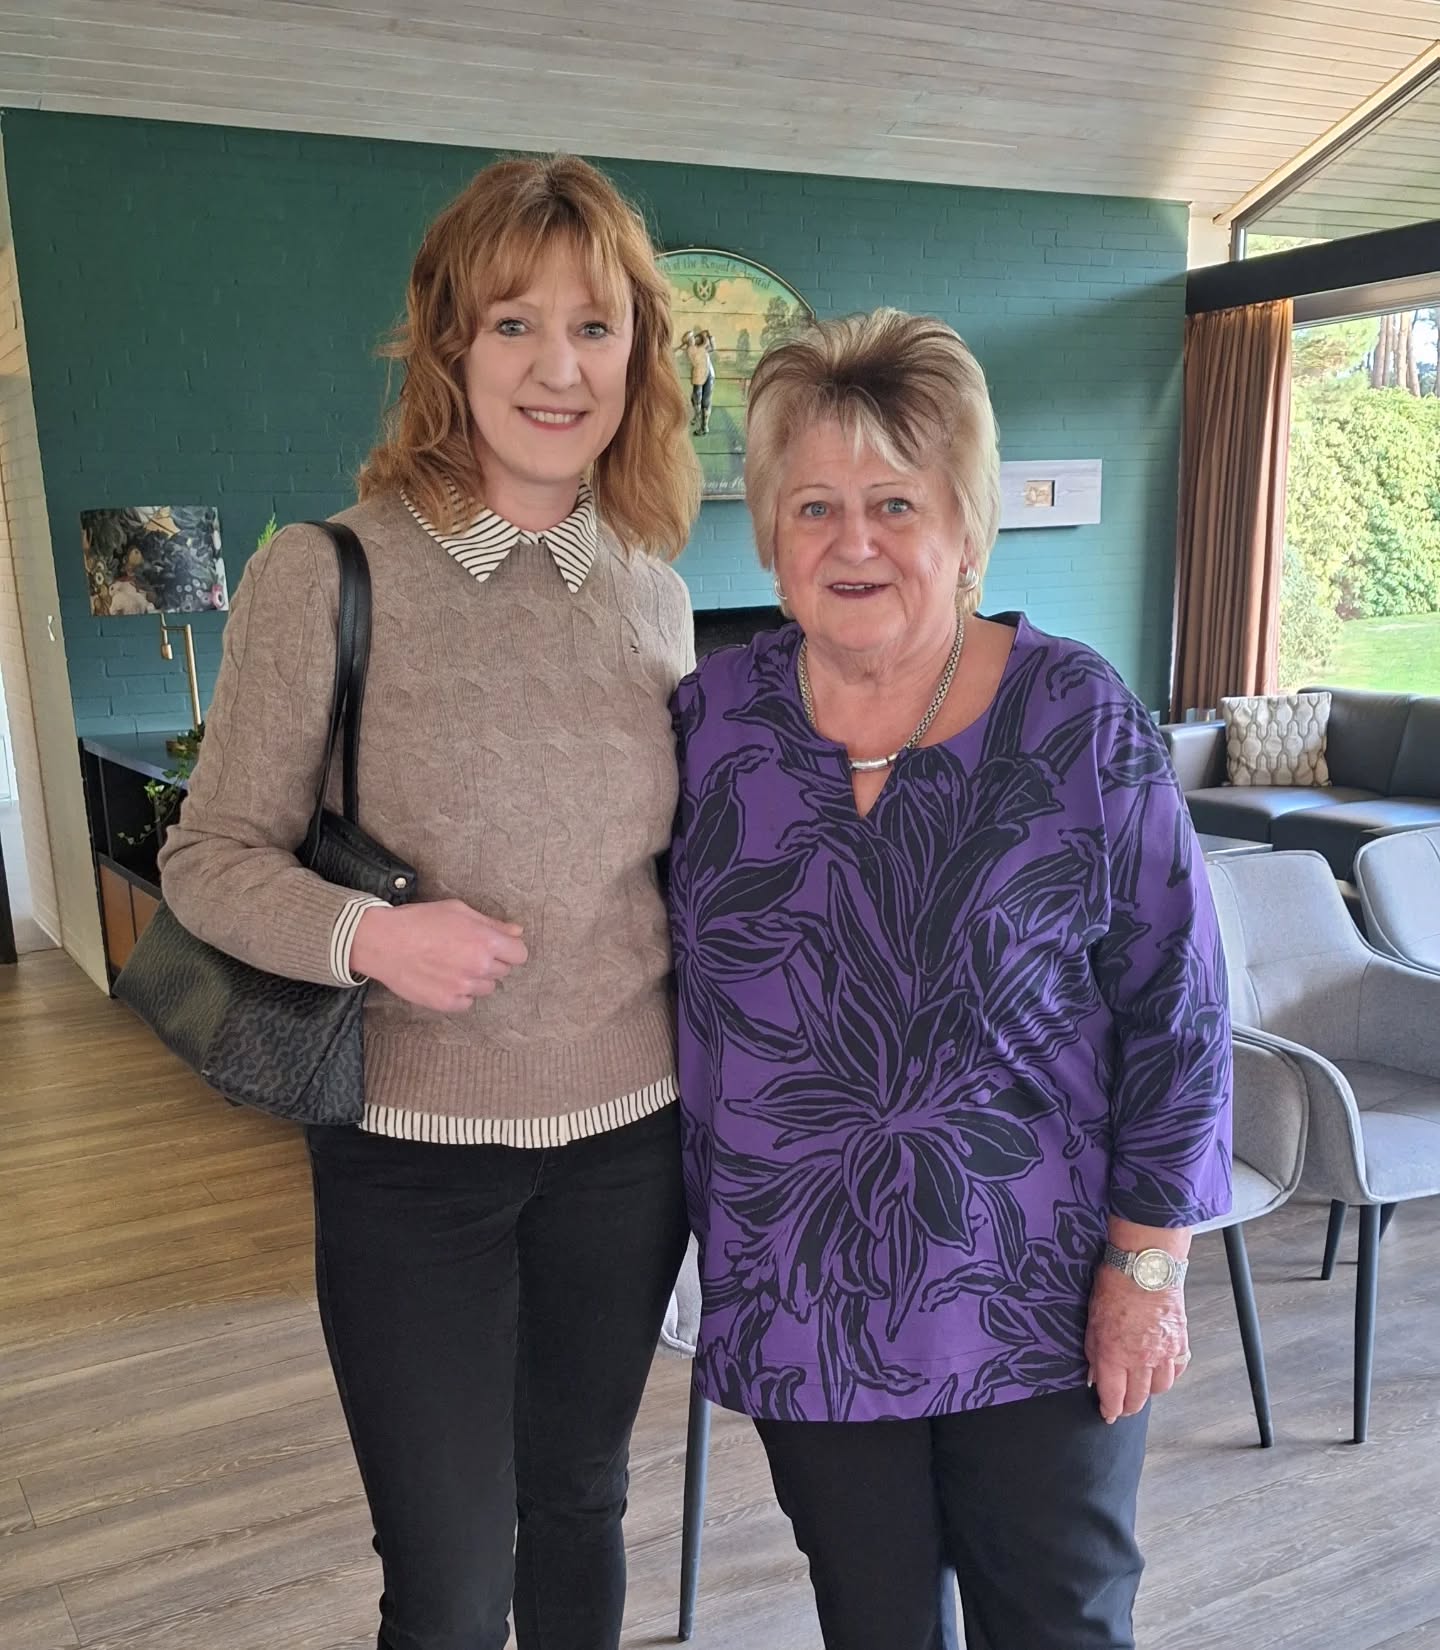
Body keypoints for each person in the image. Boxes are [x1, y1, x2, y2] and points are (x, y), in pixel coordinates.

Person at [159, 155, 702, 1650]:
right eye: (514, 323)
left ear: (638, 358)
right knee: (452, 1583)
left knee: (583, 1505)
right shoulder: (328, 571)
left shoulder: (652, 588)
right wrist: (371, 935)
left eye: (593, 328)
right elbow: (209, 858)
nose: (557, 368)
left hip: (629, 1148)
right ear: (449, 345)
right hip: (410, 1163)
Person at [667, 308, 1232, 1650]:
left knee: (1059, 1620)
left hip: (1038, 1296)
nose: (851, 540)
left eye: (894, 504)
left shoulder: (1074, 718)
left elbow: (1178, 1010)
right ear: (768, 535)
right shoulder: (713, 724)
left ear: (967, 530)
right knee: (870, 1624)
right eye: (813, 505)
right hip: (803, 1298)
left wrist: (1148, 1272)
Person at [680, 326, 715, 434]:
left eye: (693, 337)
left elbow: (712, 348)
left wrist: (710, 338)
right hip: (698, 376)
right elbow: (703, 349)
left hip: (709, 374)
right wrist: (705, 338)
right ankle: (697, 416)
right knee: (696, 399)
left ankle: (704, 427)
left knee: (706, 400)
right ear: (688, 342)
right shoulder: (691, 349)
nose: (693, 339)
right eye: (690, 338)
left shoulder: (698, 346)